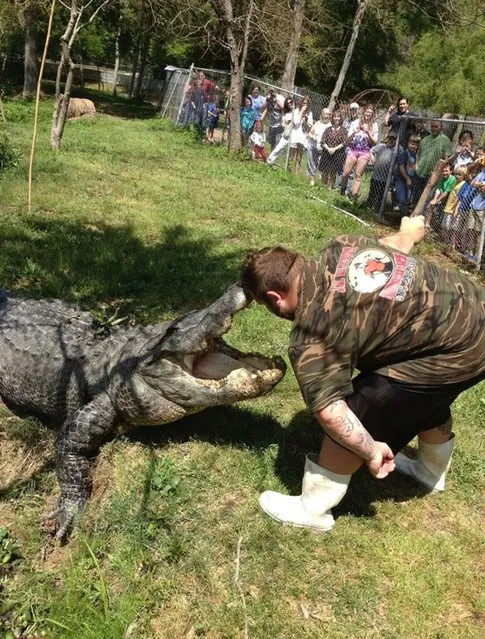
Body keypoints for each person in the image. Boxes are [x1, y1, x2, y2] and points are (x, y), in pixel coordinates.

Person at [239, 217, 485, 531]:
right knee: (425, 392)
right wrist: (410, 231)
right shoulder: (342, 245)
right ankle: (430, 471)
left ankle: (312, 509)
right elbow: (393, 245)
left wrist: (370, 451)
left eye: (265, 305)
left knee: (362, 406)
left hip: (456, 350)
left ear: (275, 298)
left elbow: (330, 412)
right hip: (475, 316)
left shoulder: (313, 332)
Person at [340, 104, 379, 201]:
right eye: (367, 111)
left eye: (370, 112)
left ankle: (352, 197)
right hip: (353, 150)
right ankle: (342, 191)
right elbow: (348, 138)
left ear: (372, 114)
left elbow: (374, 142)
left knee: (358, 175)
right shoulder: (356, 122)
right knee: (345, 173)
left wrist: (368, 132)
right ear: (364, 112)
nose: (368, 114)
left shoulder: (374, 125)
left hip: (364, 152)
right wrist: (354, 132)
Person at [412, 119, 453, 207]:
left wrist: (438, 172)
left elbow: (448, 158)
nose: (433, 128)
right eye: (432, 126)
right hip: (419, 173)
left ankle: (421, 217)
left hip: (431, 175)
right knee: (415, 197)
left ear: (441, 127)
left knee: (426, 199)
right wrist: (416, 165)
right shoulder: (426, 139)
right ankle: (413, 217)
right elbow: (418, 153)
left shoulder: (445, 141)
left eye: (436, 127)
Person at [365, 132, 401, 210]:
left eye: (393, 139)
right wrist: (372, 158)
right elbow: (371, 150)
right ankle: (368, 207)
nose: (391, 140)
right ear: (387, 138)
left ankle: (378, 209)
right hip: (376, 175)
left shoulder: (397, 149)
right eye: (390, 138)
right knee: (372, 192)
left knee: (381, 194)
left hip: (386, 178)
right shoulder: (382, 146)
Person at [319, 111, 347, 189]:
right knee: (325, 171)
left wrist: (334, 149)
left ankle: (330, 187)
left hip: (337, 154)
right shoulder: (328, 129)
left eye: (338, 117)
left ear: (341, 118)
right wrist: (328, 148)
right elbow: (323, 140)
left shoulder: (343, 130)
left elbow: (344, 142)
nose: (336, 118)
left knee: (333, 172)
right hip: (326, 152)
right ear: (332, 118)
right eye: (335, 116)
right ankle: (323, 187)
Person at [424, 163, 456, 230]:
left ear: (451, 171)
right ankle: (427, 225)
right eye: (443, 171)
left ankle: (435, 227)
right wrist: (434, 200)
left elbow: (445, 193)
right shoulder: (442, 178)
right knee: (431, 205)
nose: (444, 173)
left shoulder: (452, 179)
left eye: (446, 171)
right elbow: (438, 189)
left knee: (435, 207)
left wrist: (436, 201)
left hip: (449, 199)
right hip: (441, 197)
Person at [440, 166, 467, 245]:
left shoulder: (463, 184)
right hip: (448, 207)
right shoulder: (455, 182)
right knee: (445, 226)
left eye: (459, 175)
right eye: (456, 174)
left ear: (464, 176)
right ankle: (444, 242)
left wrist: (456, 209)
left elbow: (460, 198)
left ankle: (450, 244)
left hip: (454, 209)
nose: (457, 176)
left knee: (452, 228)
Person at [395, 135, 420, 217]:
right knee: (402, 198)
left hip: (411, 180)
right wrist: (407, 179)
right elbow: (401, 166)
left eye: (416, 145)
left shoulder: (416, 155)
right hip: (402, 179)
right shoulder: (405, 153)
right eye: (412, 144)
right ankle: (403, 217)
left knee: (407, 199)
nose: (414, 146)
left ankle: (404, 217)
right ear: (408, 143)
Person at [306, 108, 332, 186]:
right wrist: (313, 137)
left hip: (323, 149)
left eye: (328, 114)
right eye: (325, 114)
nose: (326, 116)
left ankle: (322, 183)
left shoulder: (330, 126)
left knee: (322, 166)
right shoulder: (317, 123)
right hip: (313, 146)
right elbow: (310, 133)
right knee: (312, 163)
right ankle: (312, 181)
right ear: (322, 114)